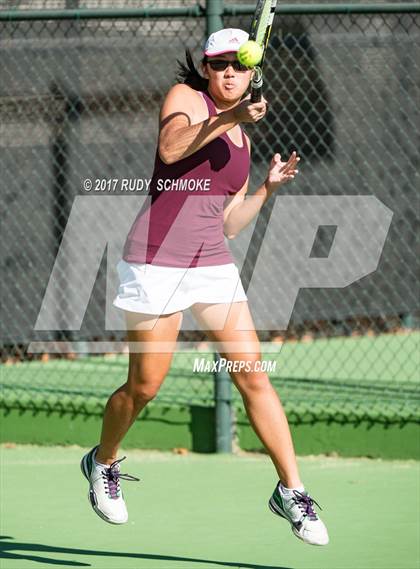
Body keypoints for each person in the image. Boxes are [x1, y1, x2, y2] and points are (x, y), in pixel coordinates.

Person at [81, 28, 329, 546]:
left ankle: (292, 490)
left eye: (239, 65)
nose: (229, 73)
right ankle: (102, 461)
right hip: (155, 261)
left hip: (210, 264)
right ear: (207, 68)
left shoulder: (243, 140)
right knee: (145, 385)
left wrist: (265, 187)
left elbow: (230, 224)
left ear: (250, 72)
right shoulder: (186, 99)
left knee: (253, 376)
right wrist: (229, 118)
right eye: (219, 65)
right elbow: (171, 150)